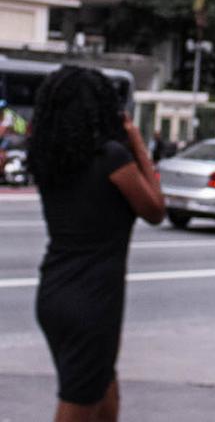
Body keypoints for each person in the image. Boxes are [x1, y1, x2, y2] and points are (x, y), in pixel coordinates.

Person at [27, 66, 165, 422]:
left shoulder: (50, 161)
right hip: (93, 302)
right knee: (78, 405)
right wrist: (135, 140)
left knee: (105, 395)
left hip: (54, 293)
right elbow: (155, 209)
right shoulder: (112, 159)